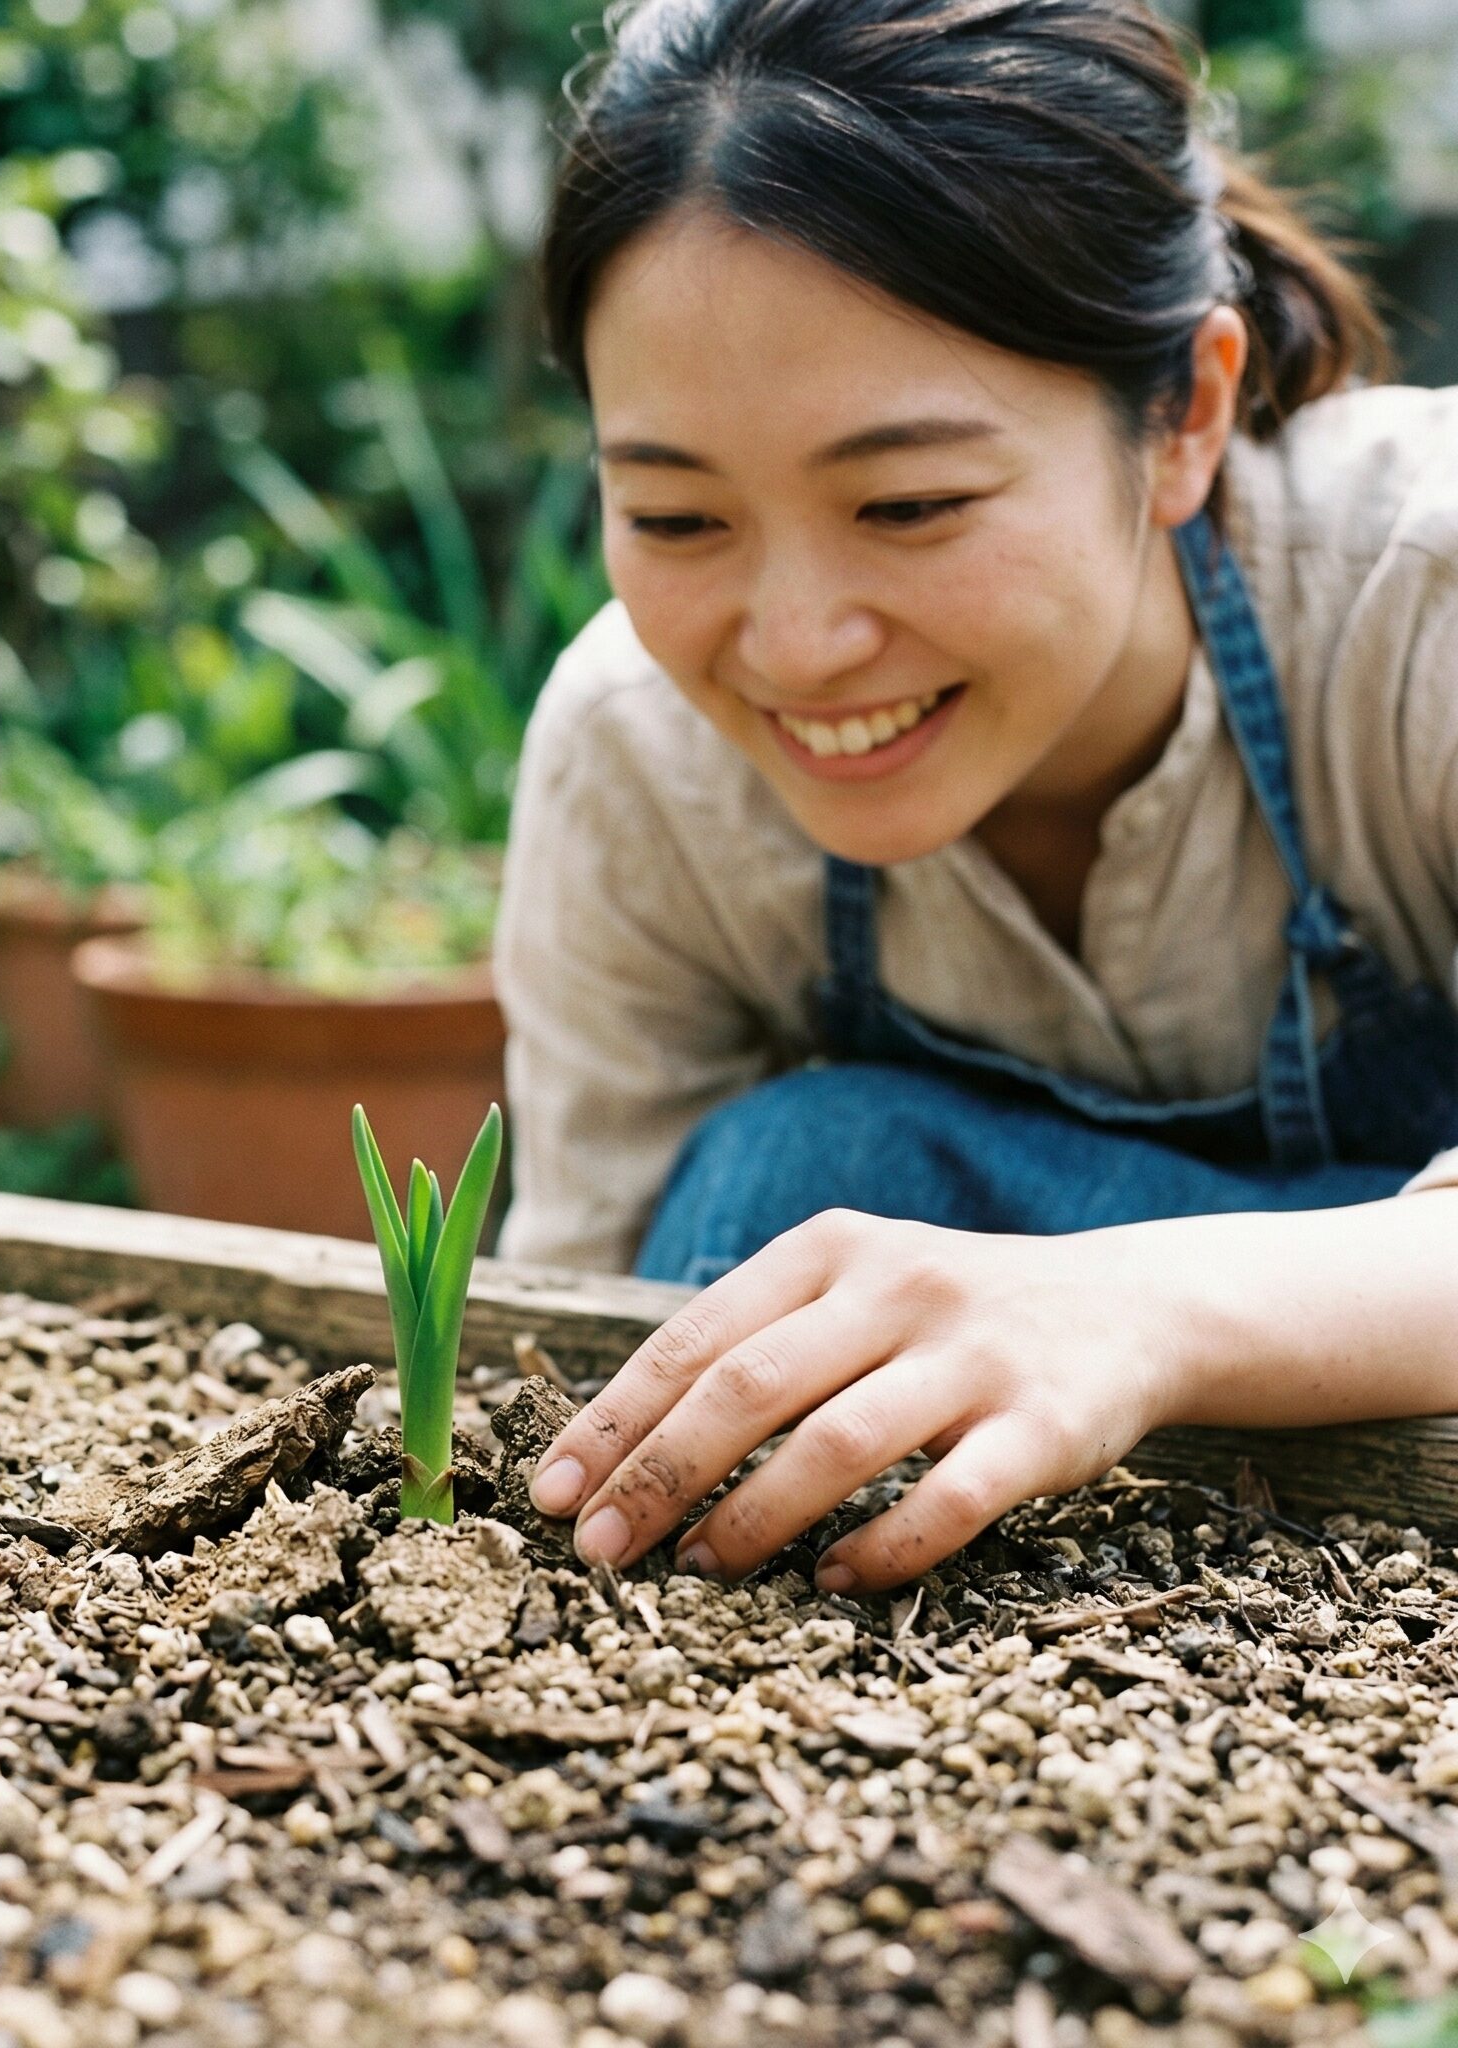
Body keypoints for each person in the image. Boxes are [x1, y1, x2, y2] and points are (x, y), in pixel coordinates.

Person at [491, 0, 1458, 1595]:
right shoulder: (637, 754)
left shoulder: (1417, 596)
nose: (796, 645)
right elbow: (584, 1325)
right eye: (675, 519)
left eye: (909, 504)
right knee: (789, 1188)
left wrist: (1136, 1314)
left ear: (1186, 413)